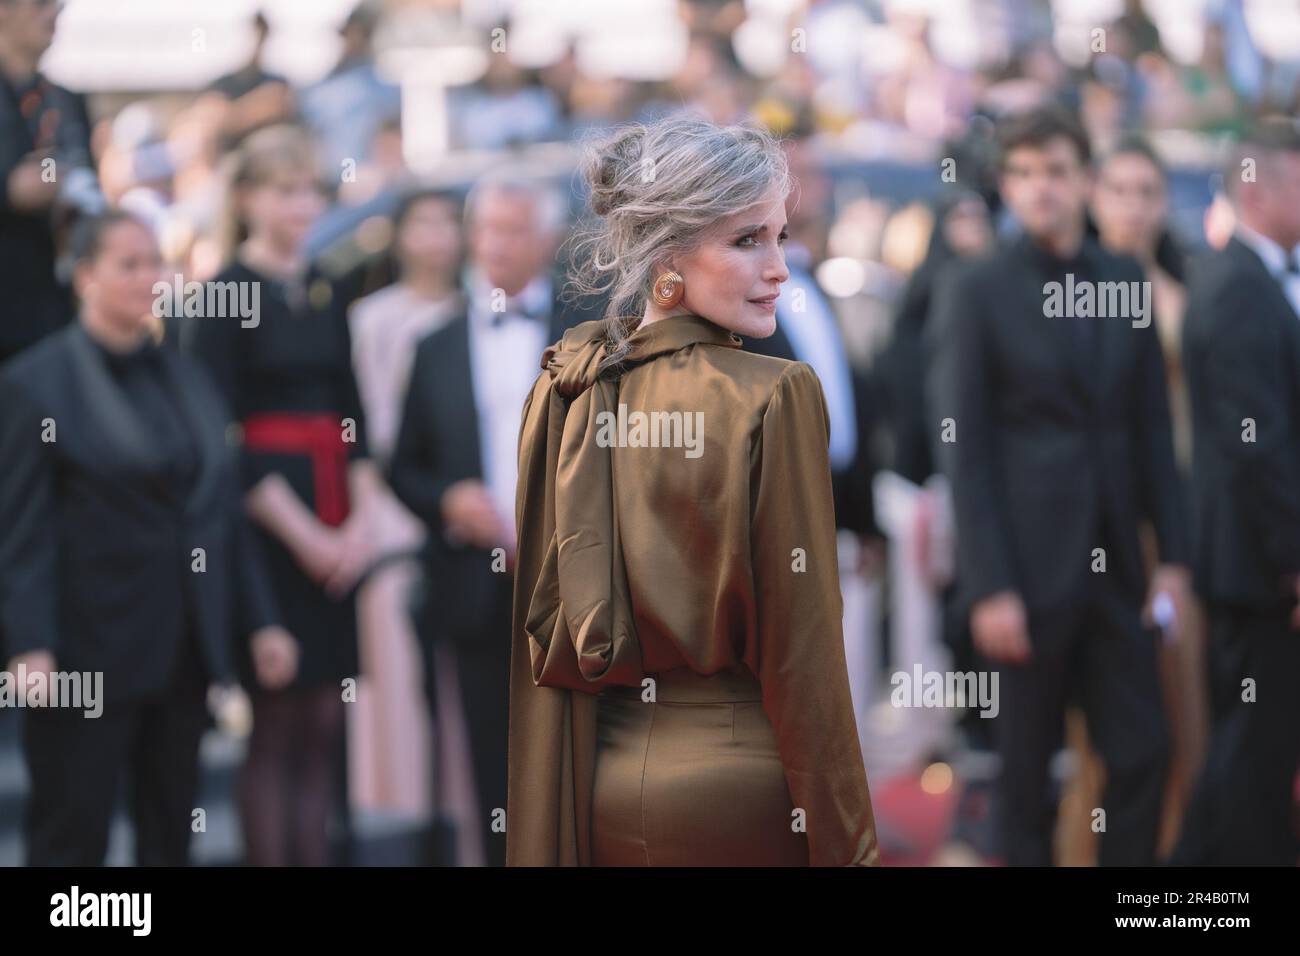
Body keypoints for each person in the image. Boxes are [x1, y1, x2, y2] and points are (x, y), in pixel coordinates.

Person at [506, 115, 879, 866]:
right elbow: (806, 661)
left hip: (600, 790)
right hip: (741, 796)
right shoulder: (775, 394)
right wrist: (853, 848)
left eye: (779, 234)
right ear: (667, 256)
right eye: (746, 241)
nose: (778, 267)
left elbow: (540, 647)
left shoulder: (564, 386)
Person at [925, 105, 1187, 866]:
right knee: (1026, 779)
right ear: (1008, 184)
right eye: (1026, 173)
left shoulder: (1122, 277)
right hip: (1025, 578)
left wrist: (1171, 554)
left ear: (1084, 180)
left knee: (1143, 751)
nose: (1041, 188)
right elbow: (962, 451)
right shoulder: (975, 290)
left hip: (1118, 573)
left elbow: (1151, 434)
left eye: (1057, 171)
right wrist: (991, 586)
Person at [0, 211, 289, 865]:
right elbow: (21, 529)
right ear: (83, 277)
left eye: (154, 261)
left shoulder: (186, 374)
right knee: (72, 833)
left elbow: (218, 511)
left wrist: (261, 623)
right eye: (128, 264)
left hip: (183, 650)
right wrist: (29, 645)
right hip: (84, 654)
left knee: (170, 831)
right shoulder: (33, 386)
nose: (147, 277)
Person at [388, 173, 598, 866]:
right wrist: (448, 500)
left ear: (546, 240)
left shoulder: (589, 334)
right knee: (491, 760)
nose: (495, 245)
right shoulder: (437, 343)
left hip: (575, 583)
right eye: (486, 230)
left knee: (584, 756)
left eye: (512, 230)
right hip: (475, 585)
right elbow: (404, 466)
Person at [188, 124, 375, 866]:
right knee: (274, 724)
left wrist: (354, 528)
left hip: (335, 515)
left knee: (326, 722)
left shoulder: (327, 285)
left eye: (308, 189)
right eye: (283, 189)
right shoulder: (223, 293)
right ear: (246, 198)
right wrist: (308, 536)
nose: (301, 204)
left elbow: (354, 415)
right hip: (263, 534)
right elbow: (218, 436)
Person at [1174, 117, 1300, 866]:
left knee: (1262, 751)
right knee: (1250, 755)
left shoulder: (1252, 281)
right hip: (1259, 570)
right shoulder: (1238, 288)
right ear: (1259, 189)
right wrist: (1294, 559)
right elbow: (1261, 449)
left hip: (1262, 563)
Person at [0, 0, 103, 364]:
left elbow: (90, 193)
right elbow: (21, 187)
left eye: (58, 5)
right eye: (41, 4)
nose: (54, 14)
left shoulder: (65, 101)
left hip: (51, 310)